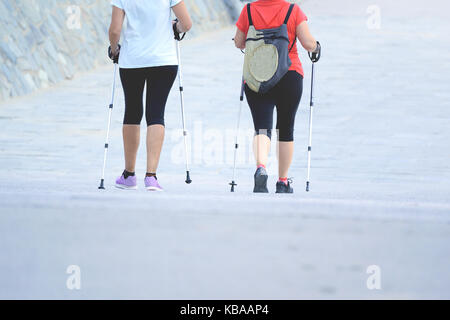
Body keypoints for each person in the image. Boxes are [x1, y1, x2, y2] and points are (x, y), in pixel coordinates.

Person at [234, 0, 320, 194]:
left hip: (257, 75)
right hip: (289, 74)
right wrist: (316, 47)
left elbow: (239, 42)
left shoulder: (248, 10)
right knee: (286, 128)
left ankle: (261, 167)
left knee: (262, 127)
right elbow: (308, 43)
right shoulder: (293, 10)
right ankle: (282, 181)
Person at [108, 0, 192, 191]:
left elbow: (114, 31)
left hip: (132, 60)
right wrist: (175, 28)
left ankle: (129, 175)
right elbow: (186, 24)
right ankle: (151, 176)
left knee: (132, 112)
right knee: (156, 114)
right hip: (164, 60)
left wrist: (114, 50)